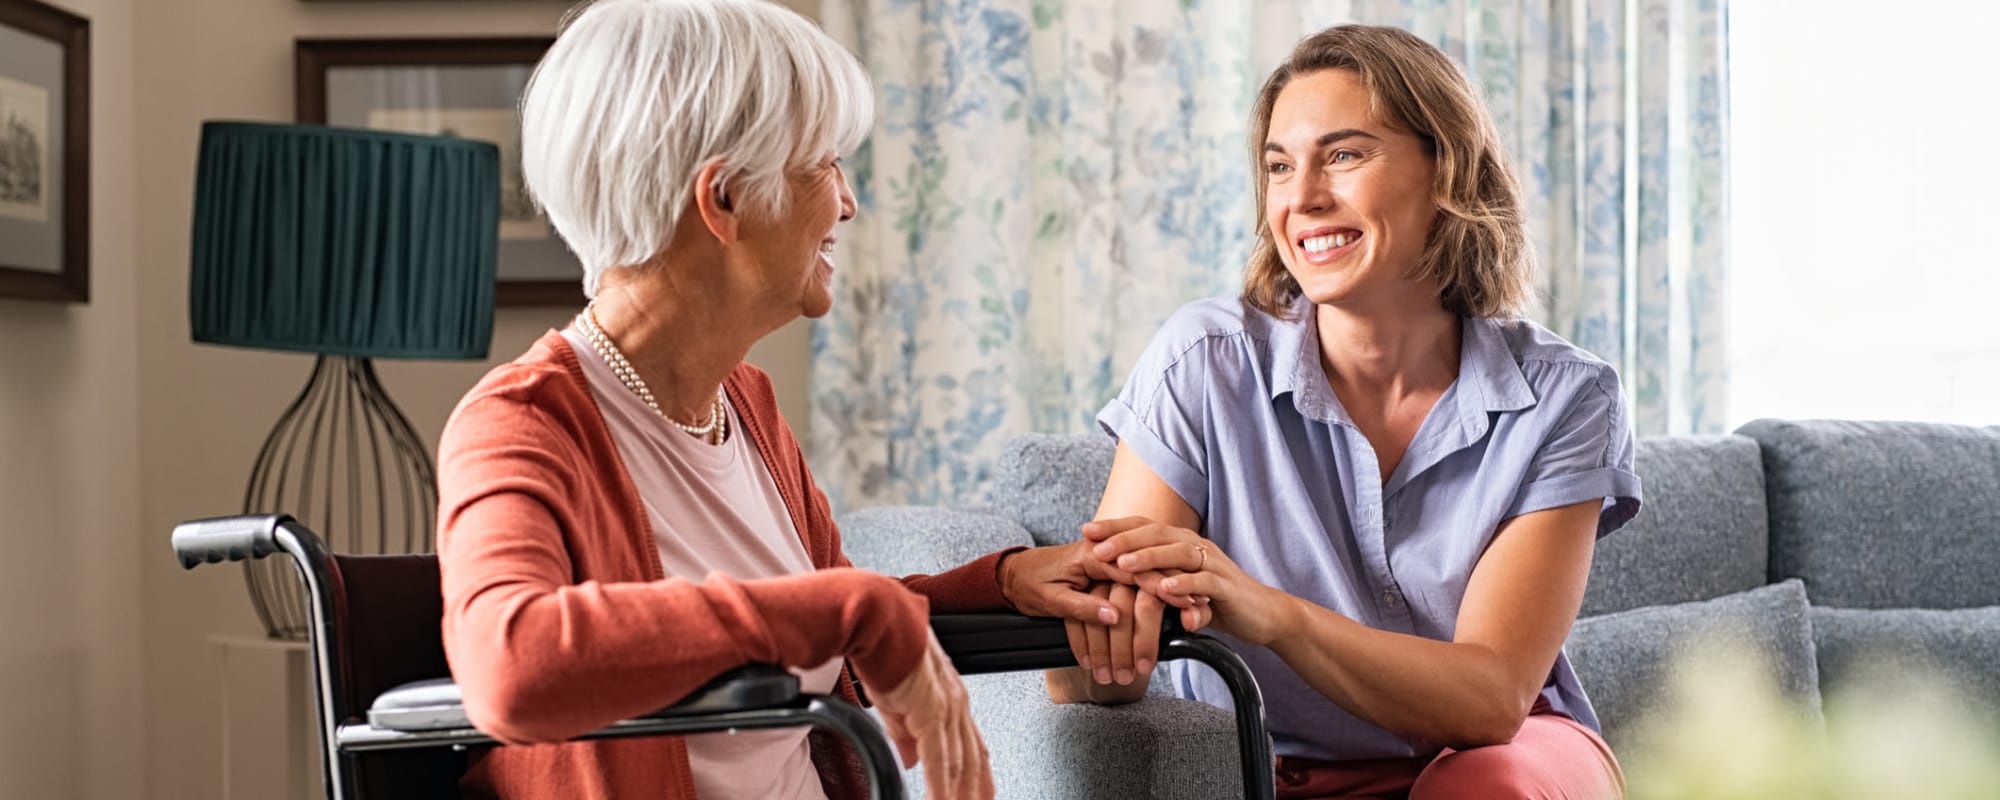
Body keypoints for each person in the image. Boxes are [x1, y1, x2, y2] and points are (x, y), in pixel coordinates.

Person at [435, 2, 1131, 798]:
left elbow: (815, 617)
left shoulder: (746, 403)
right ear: (724, 198)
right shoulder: (524, 423)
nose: (847, 201)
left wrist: (1001, 581)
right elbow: (510, 669)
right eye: (823, 166)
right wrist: (846, 608)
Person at [1047, 24, 1642, 799]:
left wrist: (1272, 615)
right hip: (1281, 769)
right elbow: (1097, 663)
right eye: (1279, 166)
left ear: (1447, 170)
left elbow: (1491, 699)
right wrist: (1099, 648)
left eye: (1345, 154)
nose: (1302, 198)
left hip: (1505, 759)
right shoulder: (1203, 364)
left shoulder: (1566, 398)